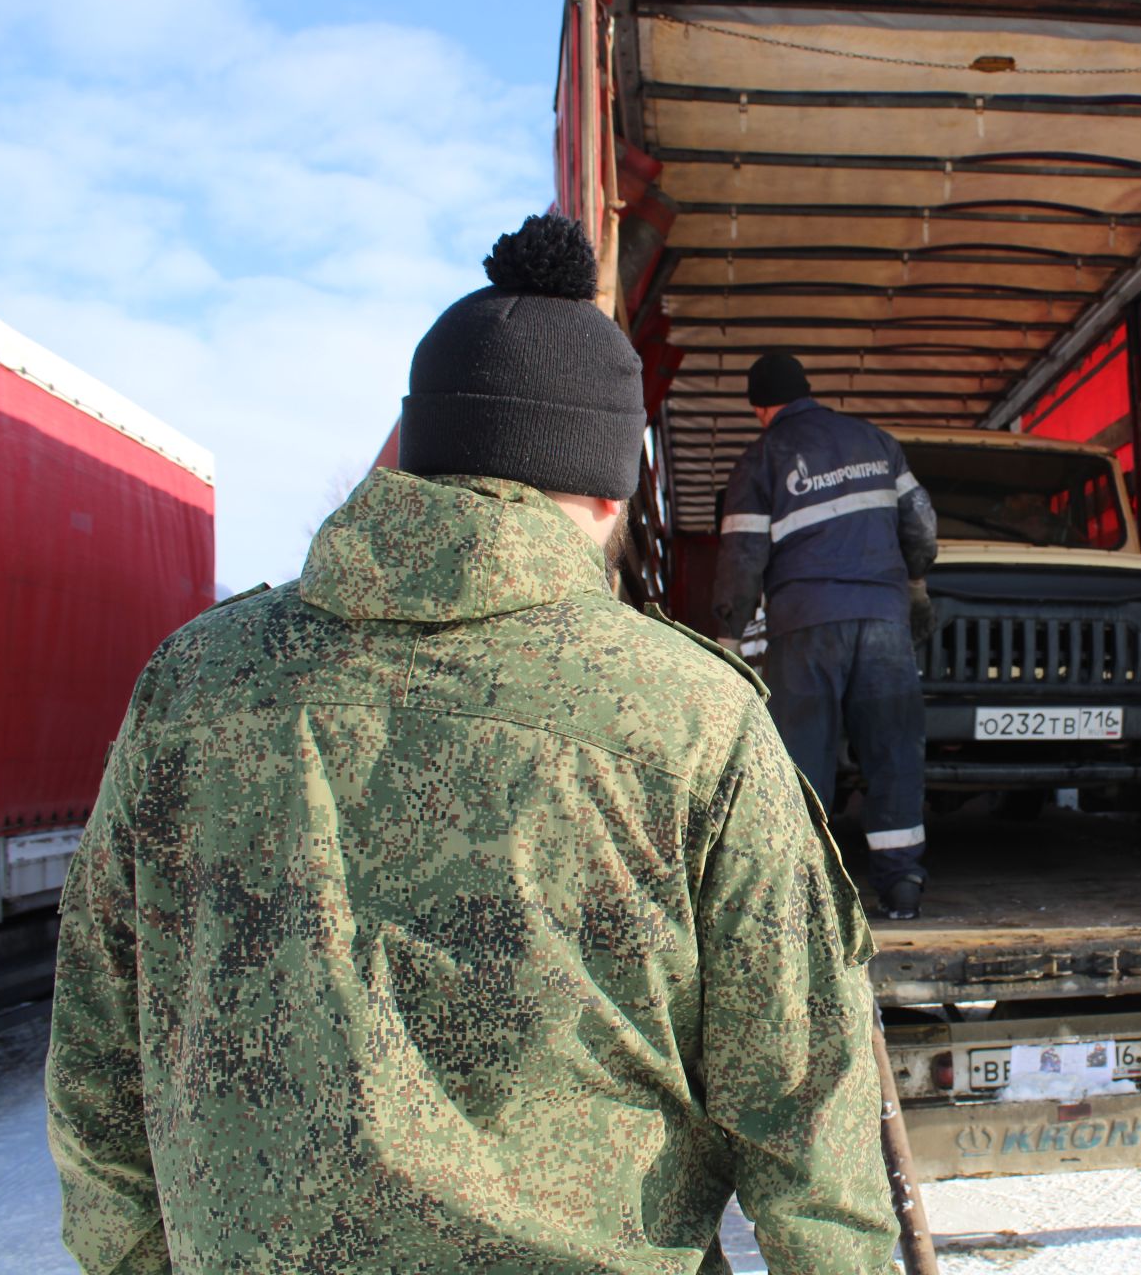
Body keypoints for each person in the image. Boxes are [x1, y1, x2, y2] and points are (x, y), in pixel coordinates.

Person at [45, 216, 897, 1275]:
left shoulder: (193, 684)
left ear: (418, 449)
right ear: (607, 483)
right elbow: (805, 1107)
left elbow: (94, 1050)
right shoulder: (690, 716)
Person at [712, 354, 937, 920]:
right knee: (893, 754)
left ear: (761, 407)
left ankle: (806, 898)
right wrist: (914, 584)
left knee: (803, 759)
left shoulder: (762, 456)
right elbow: (921, 523)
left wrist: (730, 637)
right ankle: (902, 884)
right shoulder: (876, 442)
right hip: (884, 623)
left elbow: (742, 557)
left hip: (805, 625)